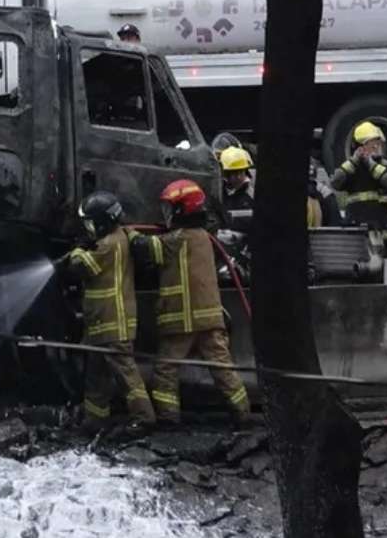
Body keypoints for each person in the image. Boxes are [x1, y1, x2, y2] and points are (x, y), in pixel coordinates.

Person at [141, 180, 252, 426]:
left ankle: (168, 419)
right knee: (223, 369)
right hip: (211, 318)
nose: (167, 214)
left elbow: (146, 249)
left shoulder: (175, 240)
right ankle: (243, 414)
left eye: (170, 209)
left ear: (181, 210)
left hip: (182, 319)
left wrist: (127, 234)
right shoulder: (204, 237)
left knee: (166, 372)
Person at [58, 191, 155, 433]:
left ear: (103, 221)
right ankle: (95, 419)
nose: (89, 228)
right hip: (101, 323)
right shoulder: (119, 237)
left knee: (126, 374)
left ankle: (144, 418)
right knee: (96, 376)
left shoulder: (109, 244)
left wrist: (78, 250)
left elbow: (81, 267)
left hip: (113, 322)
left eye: (91, 223)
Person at [330, 121, 387, 257]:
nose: (378, 146)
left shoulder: (386, 166)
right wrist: (353, 161)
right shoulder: (351, 168)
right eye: (373, 142)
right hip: (358, 232)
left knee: (385, 272)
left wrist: (372, 165)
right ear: (362, 146)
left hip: (383, 231)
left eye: (379, 142)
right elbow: (335, 183)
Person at [219, 146, 255, 212]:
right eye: (234, 173)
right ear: (226, 174)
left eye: (241, 172)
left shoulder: (251, 197)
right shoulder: (218, 193)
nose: (239, 177)